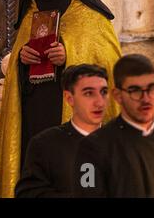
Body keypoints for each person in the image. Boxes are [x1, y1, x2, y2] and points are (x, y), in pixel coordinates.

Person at [0, 0, 121, 197]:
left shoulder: (89, 17)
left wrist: (69, 57)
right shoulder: (30, 14)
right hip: (34, 120)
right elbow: (16, 77)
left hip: (72, 127)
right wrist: (22, 62)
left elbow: (109, 70)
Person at [74, 54, 154, 197]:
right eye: (135, 91)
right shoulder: (92, 148)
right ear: (117, 96)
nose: (146, 98)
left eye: (151, 88)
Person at [15, 64, 108, 197]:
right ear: (69, 98)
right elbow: (28, 194)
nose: (100, 102)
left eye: (104, 92)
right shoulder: (44, 144)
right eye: (89, 93)